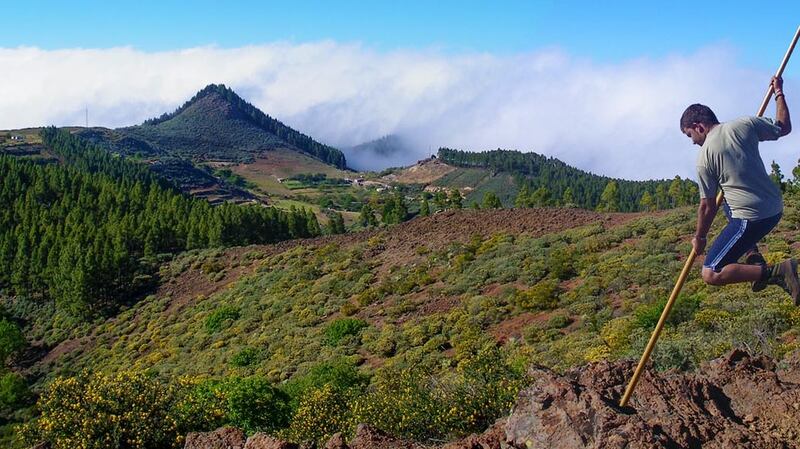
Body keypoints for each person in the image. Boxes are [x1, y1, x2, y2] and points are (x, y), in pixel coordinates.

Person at [681, 76, 799, 304]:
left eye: (690, 135)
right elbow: (783, 127)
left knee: (711, 272)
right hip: (775, 207)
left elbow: (707, 207)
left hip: (752, 219)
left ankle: (777, 271)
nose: (693, 141)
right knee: (727, 201)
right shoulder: (745, 124)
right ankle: (753, 255)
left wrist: (700, 238)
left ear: (699, 126)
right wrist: (779, 92)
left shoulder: (704, 158)